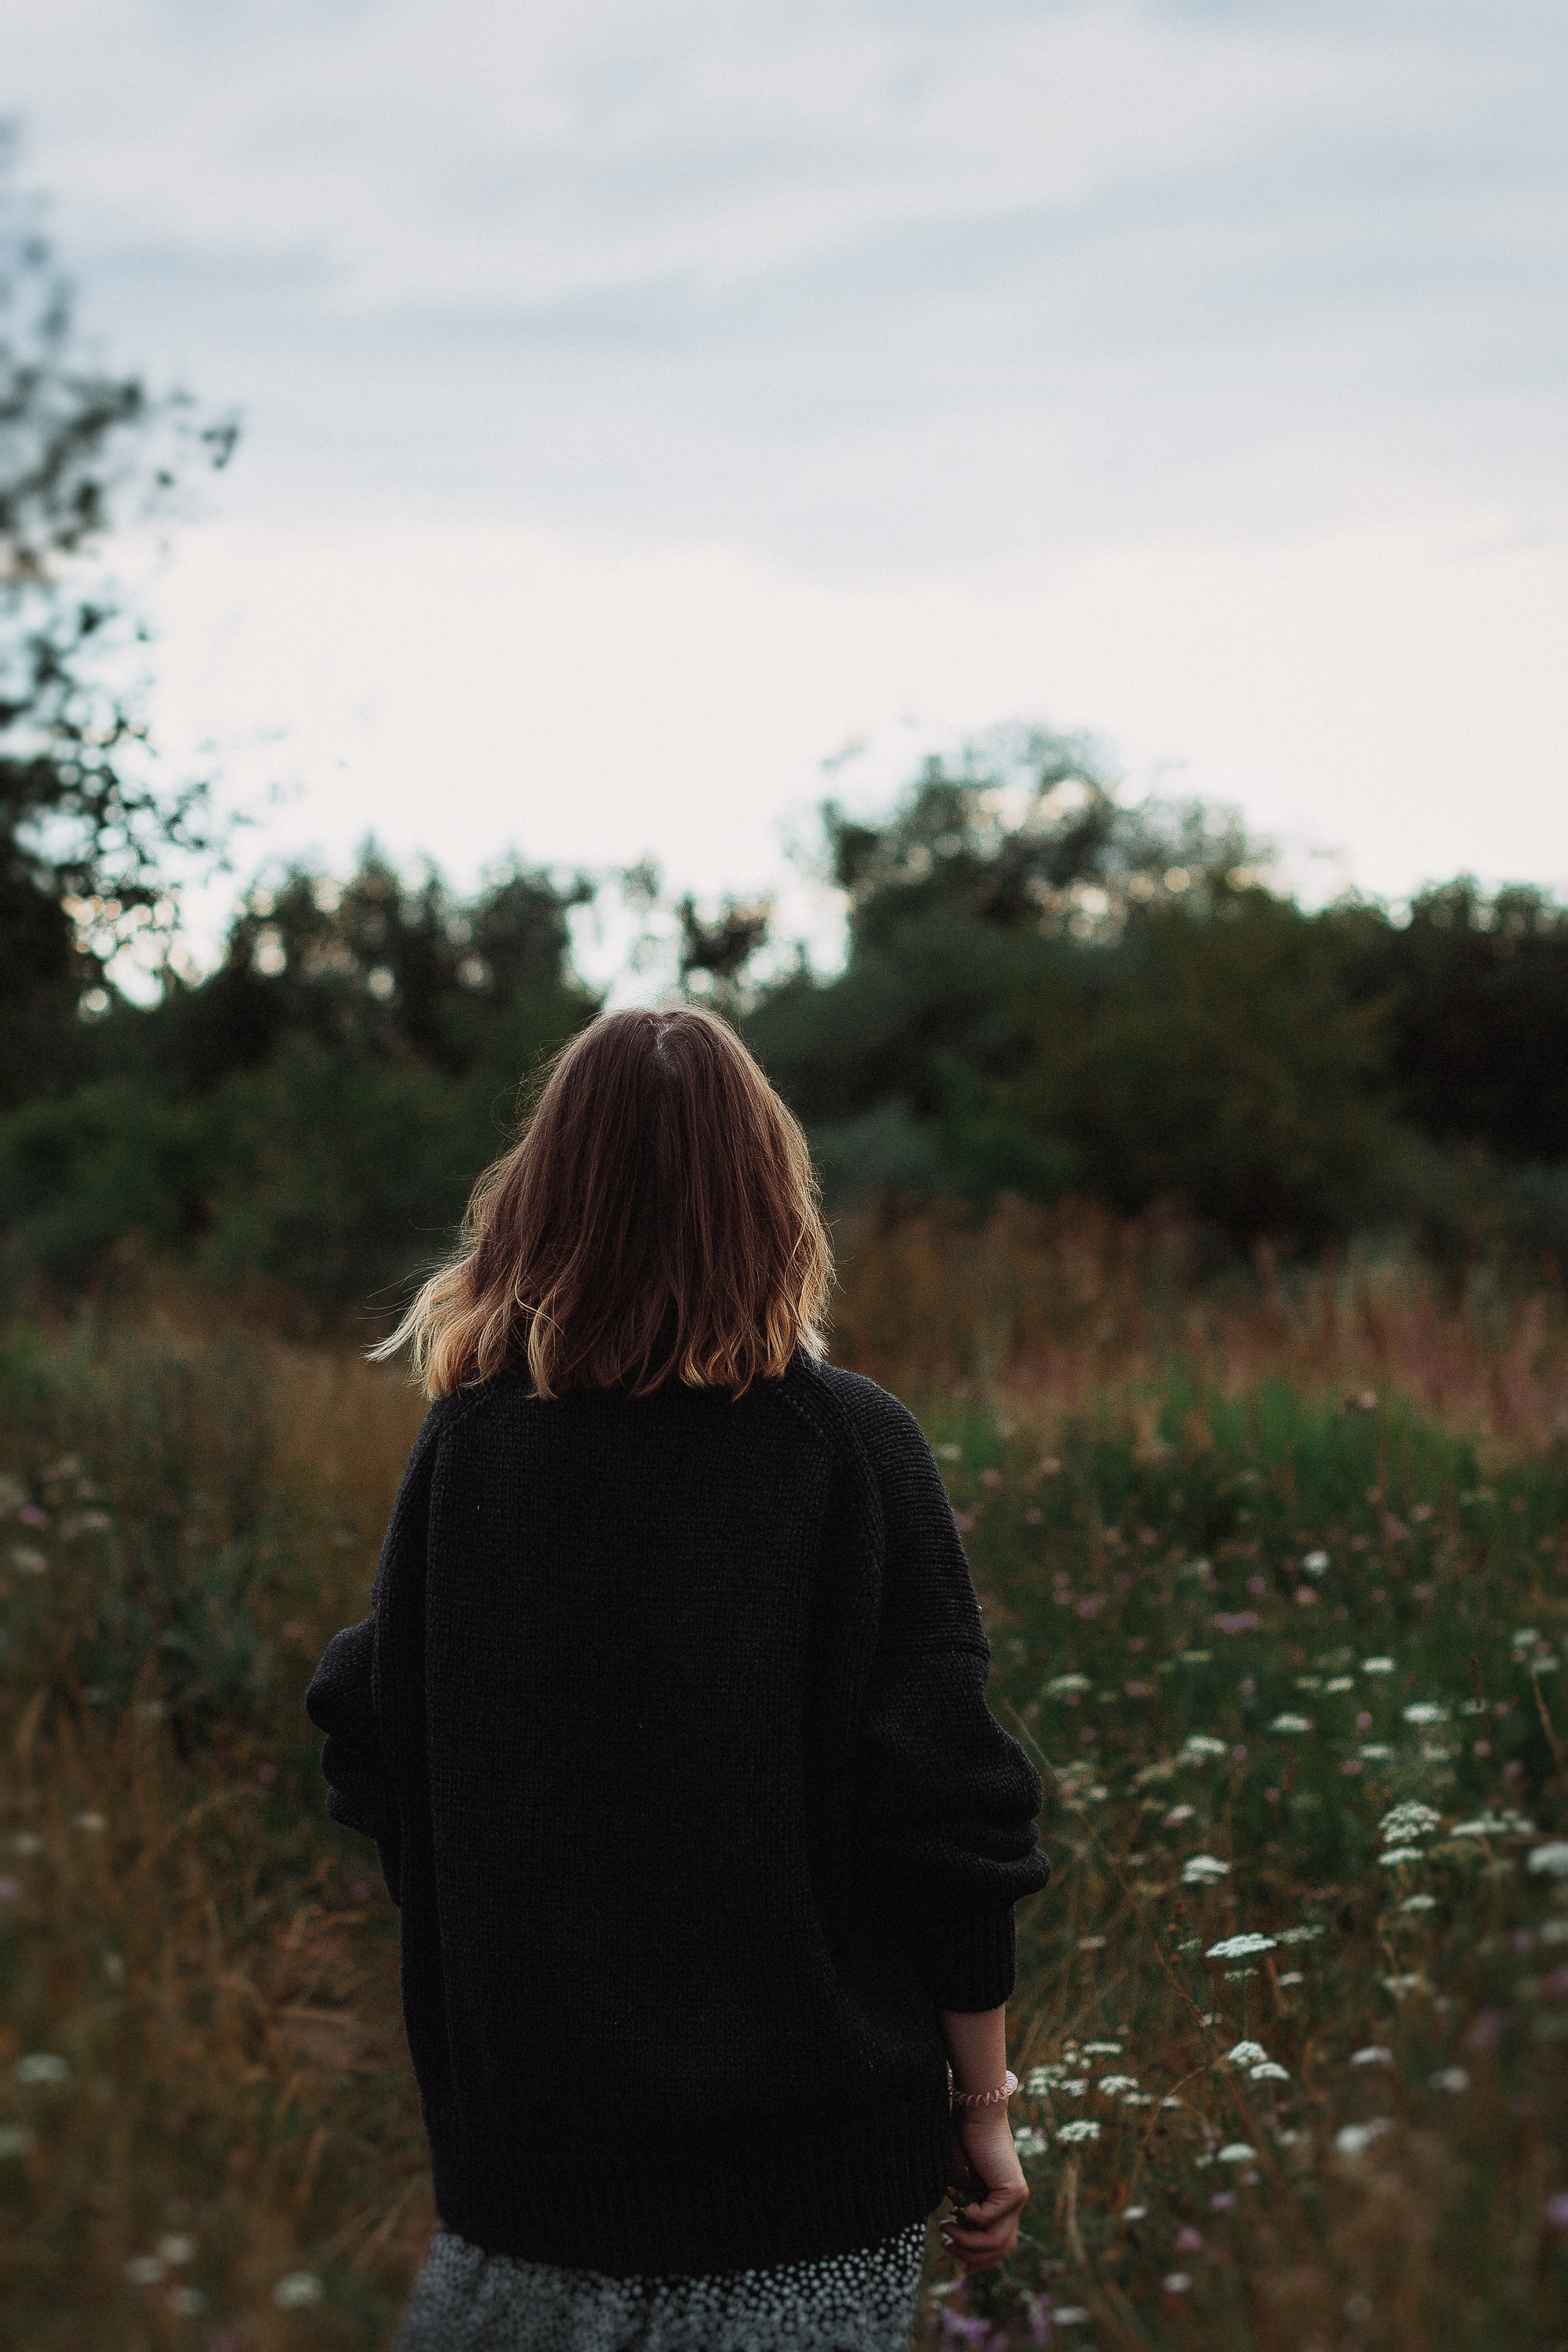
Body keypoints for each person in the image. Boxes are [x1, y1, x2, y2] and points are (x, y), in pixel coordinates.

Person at [306, 1006, 1051, 2352]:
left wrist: (513, 1969)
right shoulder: (853, 1449)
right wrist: (984, 2114)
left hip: (529, 2168)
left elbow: (374, 1744)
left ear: (539, 1202)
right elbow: (950, 1817)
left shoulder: (470, 1451)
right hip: (812, 2185)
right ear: (773, 1199)